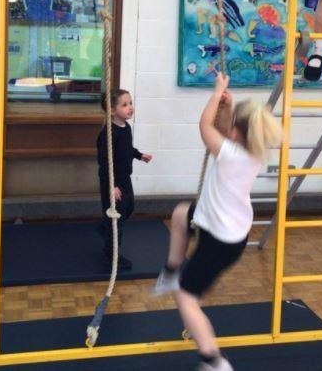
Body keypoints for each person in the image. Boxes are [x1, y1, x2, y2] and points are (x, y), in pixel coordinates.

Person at [153, 73, 282, 371]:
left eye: (232, 123)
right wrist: (228, 105)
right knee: (181, 214)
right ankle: (171, 270)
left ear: (236, 133)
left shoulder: (230, 155)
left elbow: (205, 127)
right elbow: (222, 130)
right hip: (224, 226)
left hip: (218, 240)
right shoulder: (248, 153)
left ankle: (213, 359)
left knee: (187, 298)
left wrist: (216, 94)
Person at [97, 89, 152, 270]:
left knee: (129, 208)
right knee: (116, 220)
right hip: (112, 182)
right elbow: (105, 163)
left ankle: (105, 226)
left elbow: (127, 149)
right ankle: (111, 257)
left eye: (130, 103)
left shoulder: (125, 127)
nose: (130, 107)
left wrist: (139, 155)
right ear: (112, 110)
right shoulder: (108, 134)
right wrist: (111, 186)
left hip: (124, 178)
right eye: (125, 104)